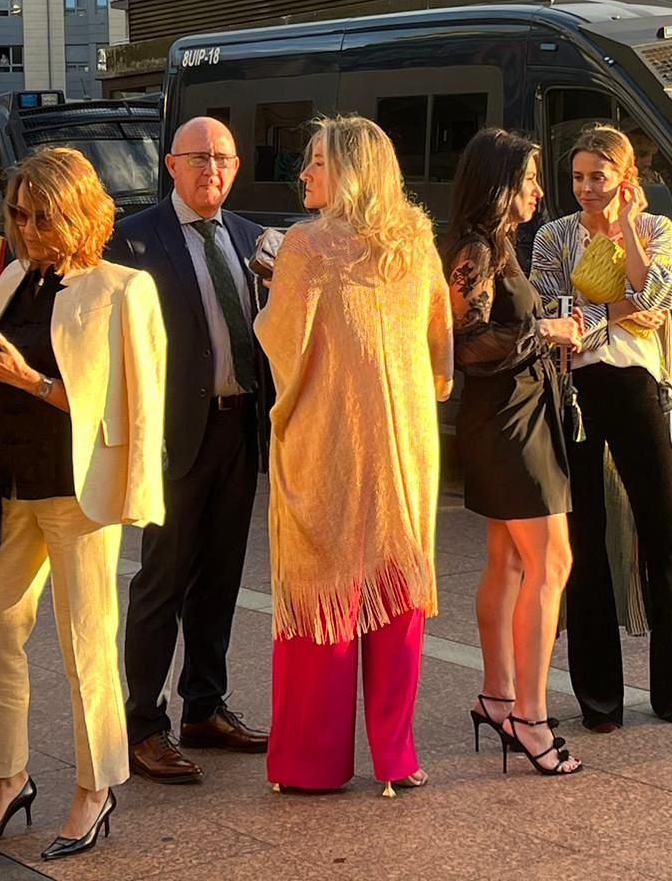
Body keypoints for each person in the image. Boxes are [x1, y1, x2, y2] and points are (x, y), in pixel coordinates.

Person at [0, 146, 167, 861]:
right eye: (17, 213)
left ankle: (96, 788)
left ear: (75, 213)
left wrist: (27, 377)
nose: (26, 227)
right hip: (9, 485)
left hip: (79, 493)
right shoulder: (10, 279)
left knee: (84, 644)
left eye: (40, 214)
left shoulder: (121, 289)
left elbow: (126, 410)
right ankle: (9, 778)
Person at [254, 115, 452, 792]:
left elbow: (284, 340)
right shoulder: (418, 240)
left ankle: (313, 763)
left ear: (348, 171)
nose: (303, 173)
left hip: (332, 435)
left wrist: (267, 289)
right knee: (395, 596)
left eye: (314, 162)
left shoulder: (305, 244)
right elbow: (441, 353)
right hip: (406, 443)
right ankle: (397, 758)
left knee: (327, 595)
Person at [108, 116, 270, 783]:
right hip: (173, 434)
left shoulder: (252, 239)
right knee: (161, 580)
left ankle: (204, 704)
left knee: (221, 575)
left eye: (224, 158)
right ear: (171, 165)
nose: (212, 169)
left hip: (239, 427)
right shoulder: (134, 240)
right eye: (199, 157)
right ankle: (144, 722)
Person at [529, 124, 672, 728]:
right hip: (575, 390)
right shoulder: (552, 237)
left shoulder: (654, 229)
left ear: (625, 178)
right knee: (586, 543)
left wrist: (626, 231)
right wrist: (619, 311)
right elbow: (556, 316)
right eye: (576, 178)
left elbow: (660, 294)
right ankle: (599, 702)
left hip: (637, 389)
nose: (585, 189)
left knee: (664, 535)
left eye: (598, 177)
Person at [442, 128, 584, 777]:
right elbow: (466, 345)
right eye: (528, 179)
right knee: (551, 561)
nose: (539, 191)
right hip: (506, 422)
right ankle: (529, 716)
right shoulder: (475, 247)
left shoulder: (496, 245)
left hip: (515, 415)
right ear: (500, 184)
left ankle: (499, 698)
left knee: (509, 561)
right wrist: (549, 329)